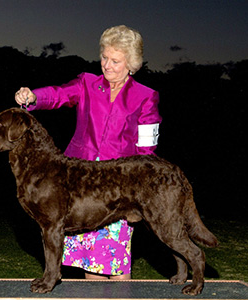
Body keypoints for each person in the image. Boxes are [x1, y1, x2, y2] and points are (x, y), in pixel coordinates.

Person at [15, 25, 161, 280]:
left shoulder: (146, 96)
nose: (107, 65)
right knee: (90, 262)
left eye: (115, 60)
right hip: (79, 187)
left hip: (118, 188)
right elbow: (58, 95)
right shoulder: (87, 83)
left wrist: (141, 195)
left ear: (132, 64)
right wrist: (33, 97)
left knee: (116, 263)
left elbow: (146, 149)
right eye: (104, 57)